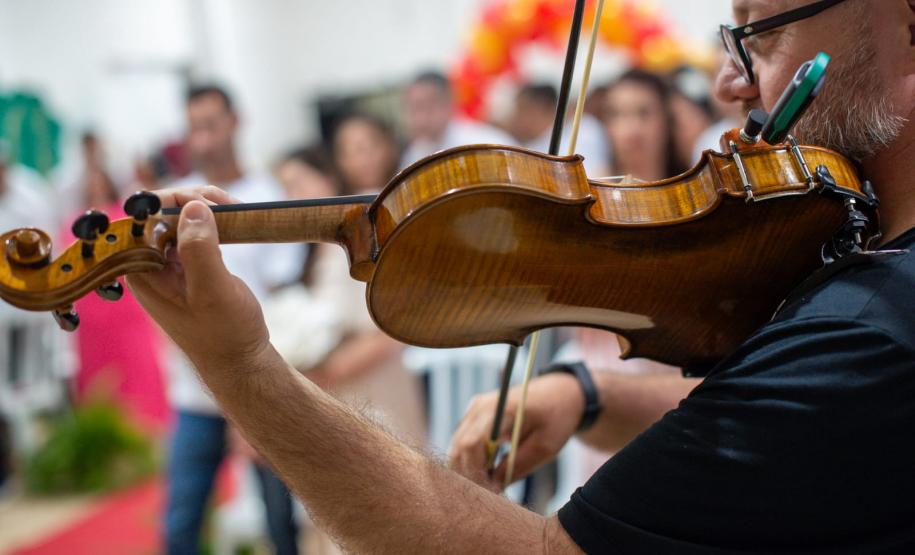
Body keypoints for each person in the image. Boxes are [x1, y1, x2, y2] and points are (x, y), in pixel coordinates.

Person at [124, 1, 915, 552]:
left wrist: (241, 367)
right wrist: (591, 392)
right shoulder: (869, 289)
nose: (728, 85)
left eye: (759, 31)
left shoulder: (865, 336)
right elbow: (772, 420)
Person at [163, 84, 303, 555]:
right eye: (194, 127)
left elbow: (285, 302)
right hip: (195, 392)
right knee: (179, 527)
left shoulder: (266, 194)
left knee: (280, 526)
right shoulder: (177, 202)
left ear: (235, 122)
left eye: (211, 125)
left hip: (258, 386)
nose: (203, 139)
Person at [62, 132, 169, 432]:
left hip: (125, 311)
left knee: (138, 376)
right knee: (101, 384)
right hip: (93, 319)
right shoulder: (73, 221)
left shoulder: (121, 214)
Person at [400, 71, 514, 167]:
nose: (420, 118)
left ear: (448, 103)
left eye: (428, 107)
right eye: (414, 109)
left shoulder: (487, 142)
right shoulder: (415, 153)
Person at [506, 83, 610, 175]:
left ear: (542, 108)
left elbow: (598, 175)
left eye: (523, 109)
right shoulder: (528, 148)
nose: (516, 117)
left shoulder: (584, 129)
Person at [601, 69, 685, 181]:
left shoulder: (694, 191)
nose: (632, 130)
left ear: (667, 120)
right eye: (618, 114)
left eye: (644, 113)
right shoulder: (594, 194)